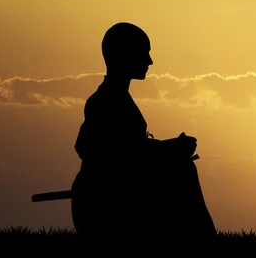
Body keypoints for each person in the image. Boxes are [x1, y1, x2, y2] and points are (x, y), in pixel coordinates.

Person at [70, 22, 216, 243]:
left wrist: (170, 147)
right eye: (144, 53)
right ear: (124, 55)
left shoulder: (111, 98)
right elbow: (119, 155)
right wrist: (172, 148)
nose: (150, 61)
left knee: (181, 164)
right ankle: (206, 241)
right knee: (183, 168)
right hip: (103, 211)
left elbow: (129, 149)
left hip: (109, 202)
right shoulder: (105, 101)